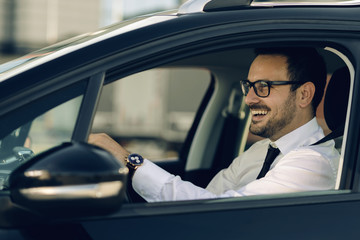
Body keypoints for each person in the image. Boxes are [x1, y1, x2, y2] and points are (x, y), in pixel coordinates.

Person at [89, 47, 340, 202]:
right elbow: (209, 200)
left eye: (263, 87)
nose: (249, 98)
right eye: (249, 86)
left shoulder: (313, 163)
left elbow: (209, 209)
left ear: (304, 95)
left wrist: (129, 161)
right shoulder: (260, 152)